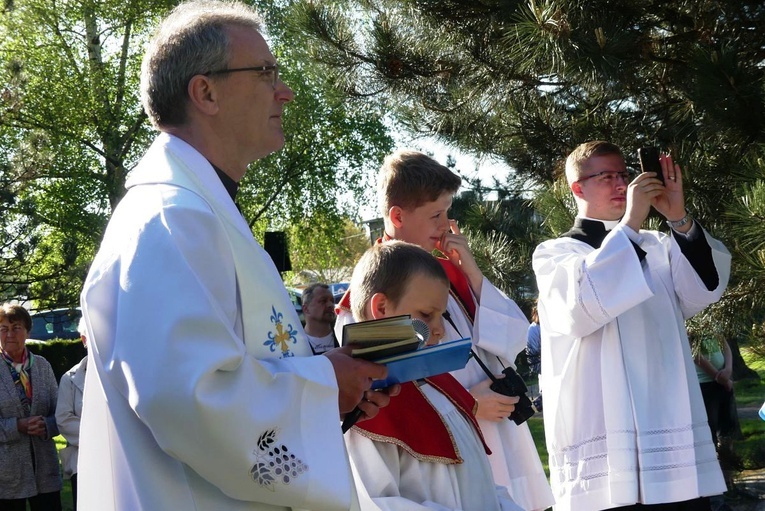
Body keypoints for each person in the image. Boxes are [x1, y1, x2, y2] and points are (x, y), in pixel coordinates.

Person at [77, 2, 392, 509]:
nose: (284, 91)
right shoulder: (171, 219)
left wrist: (336, 390)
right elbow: (190, 399)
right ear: (205, 92)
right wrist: (322, 383)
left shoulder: (199, 213)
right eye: (266, 72)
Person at [336, 150, 554, 511]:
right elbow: (379, 384)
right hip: (431, 449)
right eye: (436, 215)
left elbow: (512, 340)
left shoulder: (451, 277)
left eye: (447, 213)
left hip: (485, 432)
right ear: (397, 216)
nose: (446, 225)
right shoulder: (373, 296)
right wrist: (469, 402)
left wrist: (472, 273)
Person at [532, 140, 732, 510]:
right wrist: (631, 223)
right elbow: (581, 308)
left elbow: (704, 289)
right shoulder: (556, 254)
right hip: (605, 426)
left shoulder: (657, 245)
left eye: (624, 174)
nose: (622, 184)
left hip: (666, 409)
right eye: (606, 176)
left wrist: (679, 219)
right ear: (578, 188)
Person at [346, 240, 521, 511]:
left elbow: (481, 481)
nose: (439, 330)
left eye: (443, 315)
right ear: (381, 308)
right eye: (426, 315)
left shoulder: (443, 386)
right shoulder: (360, 404)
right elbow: (374, 503)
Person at [0, 303, 62, 511]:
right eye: (3, 329)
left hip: (45, 469)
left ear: (27, 331)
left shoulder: (43, 366)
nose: (9, 334)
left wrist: (47, 425)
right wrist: (18, 425)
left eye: (16, 327)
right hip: (6, 474)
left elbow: (60, 414)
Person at [56, 317, 89, 510]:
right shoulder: (70, 378)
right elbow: (64, 420)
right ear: (83, 340)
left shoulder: (120, 375)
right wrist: (104, 436)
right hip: (83, 463)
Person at [302, 283, 339, 354]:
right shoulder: (295, 343)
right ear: (306, 309)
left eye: (332, 301)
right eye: (323, 301)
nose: (330, 305)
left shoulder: (342, 336)